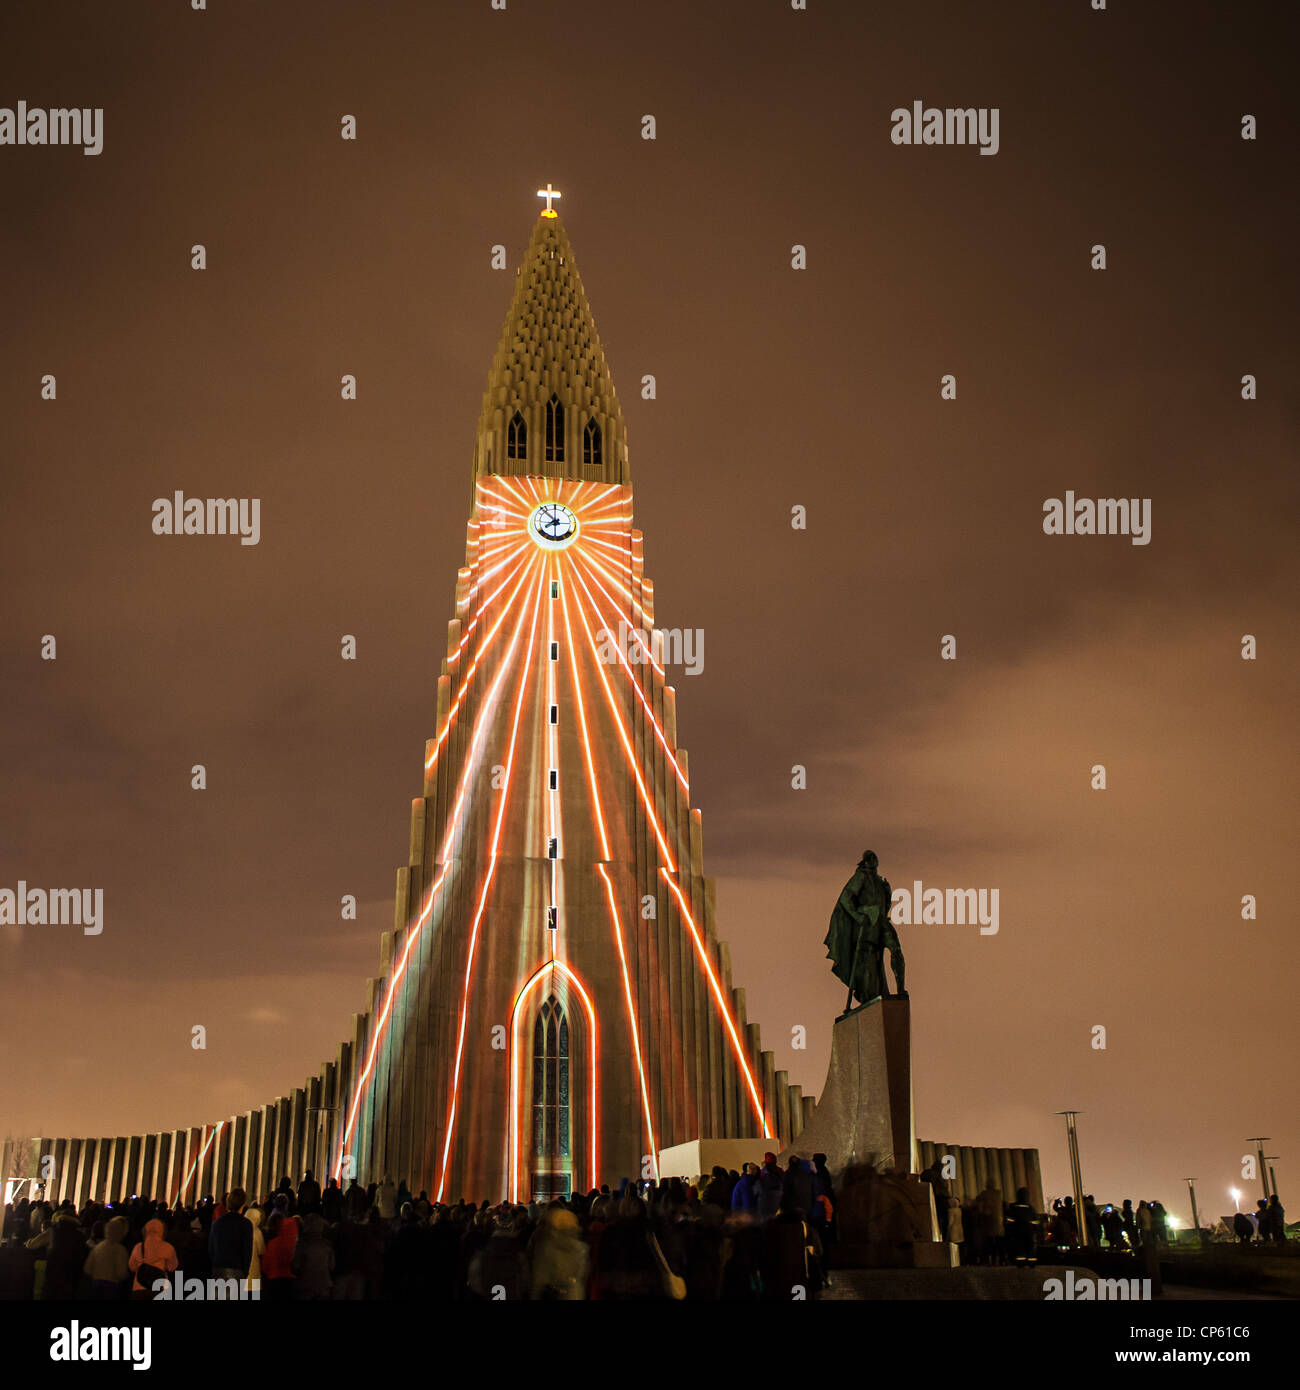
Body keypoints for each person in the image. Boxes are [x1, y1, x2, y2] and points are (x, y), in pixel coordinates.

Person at [529, 1207, 590, 1299]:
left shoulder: (548, 1247)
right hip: (574, 1293)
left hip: (553, 1294)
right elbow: (584, 1274)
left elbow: (541, 1278)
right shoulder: (582, 1248)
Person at [209, 1188, 253, 1283]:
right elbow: (247, 1250)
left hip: (218, 1269)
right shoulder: (246, 1224)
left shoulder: (217, 1223)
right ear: (243, 1204)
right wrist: (245, 1272)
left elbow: (211, 1249)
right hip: (237, 1269)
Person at [128, 1218, 178, 1300]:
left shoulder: (138, 1247)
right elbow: (172, 1267)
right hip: (160, 1288)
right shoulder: (168, 1247)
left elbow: (132, 1267)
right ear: (163, 1231)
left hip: (139, 1287)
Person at [83, 1215, 130, 1299]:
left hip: (96, 1284)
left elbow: (87, 1268)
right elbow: (121, 1273)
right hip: (111, 1287)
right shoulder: (120, 1250)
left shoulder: (98, 1247)